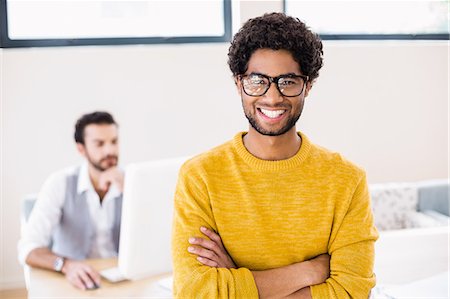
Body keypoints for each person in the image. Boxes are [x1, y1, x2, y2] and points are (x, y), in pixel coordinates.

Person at [172, 12, 378, 298]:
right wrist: (309, 272)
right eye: (257, 81)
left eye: (288, 81)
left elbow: (352, 291)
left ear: (308, 85)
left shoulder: (347, 179)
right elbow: (194, 291)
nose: (272, 97)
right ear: (238, 83)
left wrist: (235, 279)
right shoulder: (199, 176)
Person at [18, 111, 124, 290]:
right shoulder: (60, 183)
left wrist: (128, 190)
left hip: (120, 280)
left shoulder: (130, 181)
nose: (110, 150)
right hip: (73, 281)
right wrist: (67, 265)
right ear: (81, 149)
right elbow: (28, 248)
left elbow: (160, 239)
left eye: (114, 142)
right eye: (99, 144)